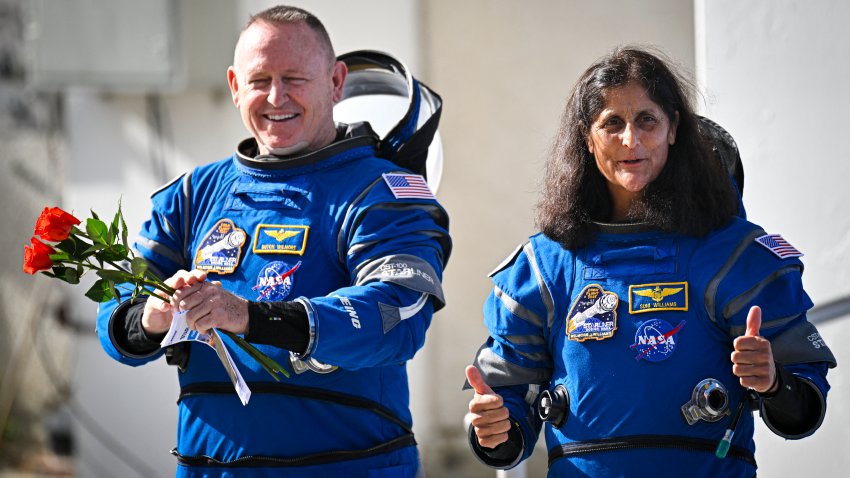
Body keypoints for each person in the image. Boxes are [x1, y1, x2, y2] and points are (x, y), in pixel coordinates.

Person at [96, 5, 450, 477]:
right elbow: (115, 308)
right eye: (259, 79)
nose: (276, 96)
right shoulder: (192, 194)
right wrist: (153, 316)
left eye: (294, 78)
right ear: (234, 86)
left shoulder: (384, 192)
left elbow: (396, 313)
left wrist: (248, 316)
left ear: (336, 81)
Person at [463, 47, 835, 477]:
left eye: (647, 120)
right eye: (612, 124)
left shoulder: (736, 256)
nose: (630, 141)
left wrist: (772, 382)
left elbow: (804, 404)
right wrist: (494, 428)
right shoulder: (544, 267)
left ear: (674, 128)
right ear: (587, 136)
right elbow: (508, 403)